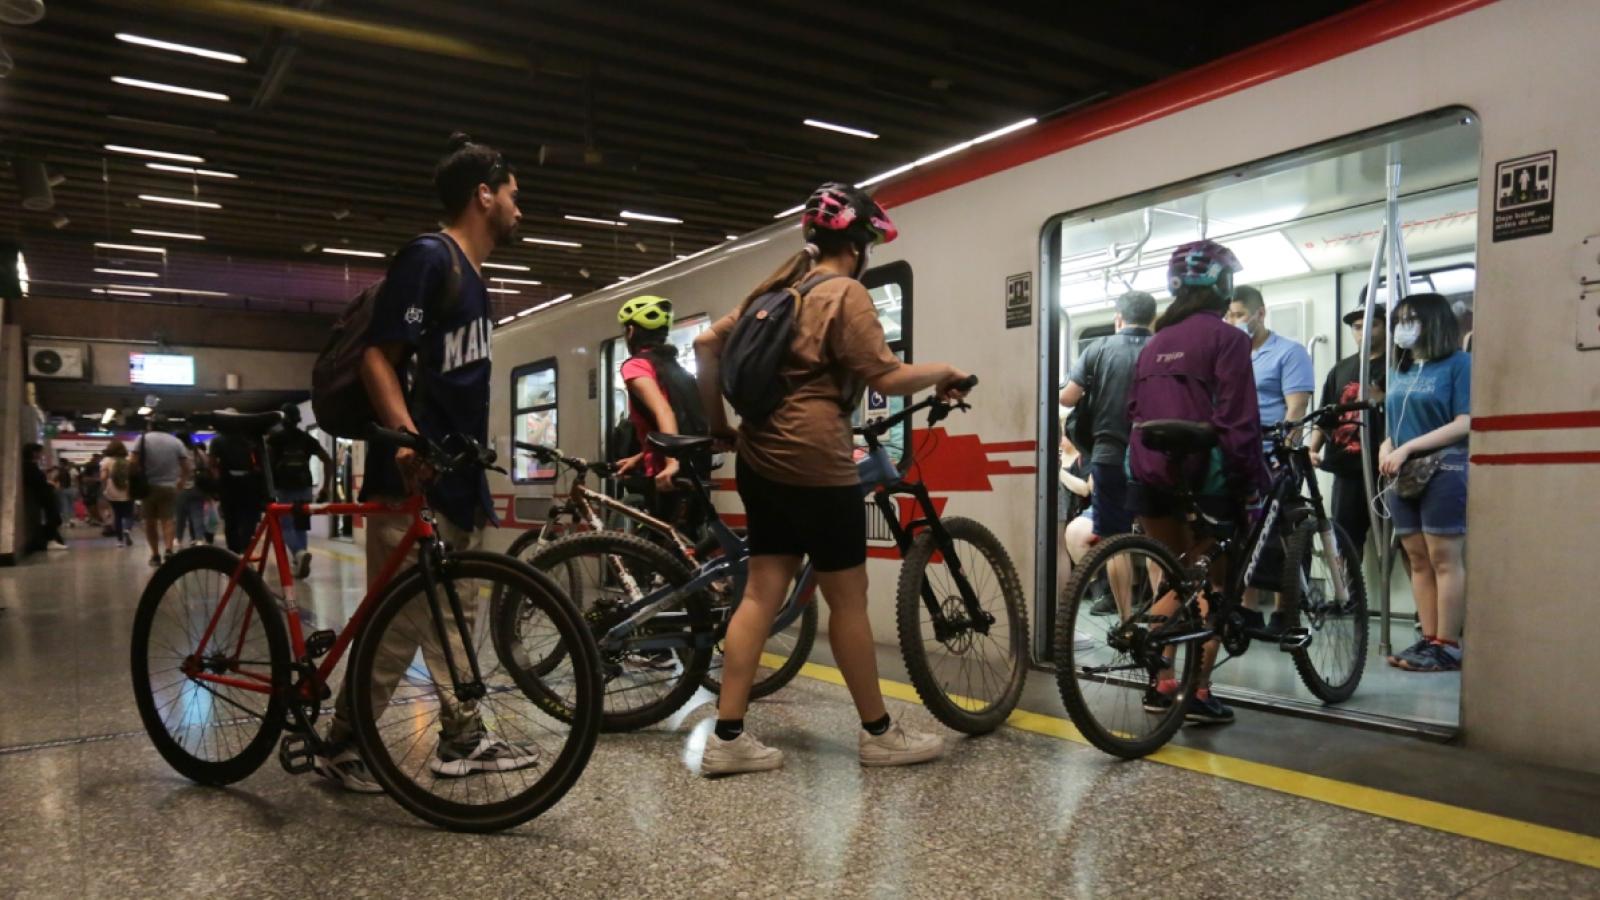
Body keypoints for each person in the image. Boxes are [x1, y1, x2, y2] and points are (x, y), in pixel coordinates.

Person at [692, 182, 971, 776]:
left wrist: (721, 427)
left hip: (760, 462)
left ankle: (727, 737)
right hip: (817, 462)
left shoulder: (776, 288)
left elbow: (704, 342)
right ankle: (877, 733)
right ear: (863, 242)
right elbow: (886, 376)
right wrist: (945, 369)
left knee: (761, 593)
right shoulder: (845, 293)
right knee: (848, 598)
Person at [318, 131, 534, 792]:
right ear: (484, 195)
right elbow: (382, 355)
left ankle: (461, 737)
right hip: (413, 475)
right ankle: (344, 744)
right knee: (403, 620)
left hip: (456, 475)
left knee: (454, 614)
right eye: (514, 195)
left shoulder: (474, 276)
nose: (520, 209)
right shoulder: (428, 260)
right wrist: (408, 440)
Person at [1126, 240, 1272, 726]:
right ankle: (1197, 691)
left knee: (1175, 577)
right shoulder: (1229, 340)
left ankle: (1159, 682)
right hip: (1205, 477)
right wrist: (1251, 482)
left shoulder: (1153, 343)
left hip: (1149, 474)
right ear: (1224, 286)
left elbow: (1134, 412)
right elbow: (1238, 421)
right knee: (1212, 582)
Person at [1379, 292, 1470, 673]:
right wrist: (1387, 449)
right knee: (1416, 558)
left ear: (1433, 322)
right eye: (1400, 320)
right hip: (1401, 470)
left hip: (1444, 467)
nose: (1404, 327)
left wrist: (1407, 448)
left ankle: (1447, 644)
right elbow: (1391, 425)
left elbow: (1465, 422)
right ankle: (1429, 636)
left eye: (1412, 318)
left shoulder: (1459, 364)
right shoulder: (1400, 370)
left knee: (1443, 558)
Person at [1059, 290, 1156, 617]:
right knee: (1157, 542)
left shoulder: (1098, 349)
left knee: (1116, 542)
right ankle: (1160, 620)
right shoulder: (1162, 348)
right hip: (1154, 458)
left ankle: (1126, 621)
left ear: (1118, 318)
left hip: (1109, 456)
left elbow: (1068, 400)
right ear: (1152, 319)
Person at [1224, 284, 1314, 633]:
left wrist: (1285, 453)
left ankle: (1284, 613)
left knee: (1286, 534)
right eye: (1228, 315)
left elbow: (1297, 406)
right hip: (1240, 455)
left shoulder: (1288, 353)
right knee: (1244, 532)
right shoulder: (1230, 354)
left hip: (1276, 453)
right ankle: (1247, 611)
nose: (1233, 321)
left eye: (1239, 314)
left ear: (1260, 314)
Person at [613, 295, 709, 534]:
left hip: (669, 471)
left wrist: (671, 462)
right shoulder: (675, 367)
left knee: (665, 554)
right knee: (687, 541)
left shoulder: (635, 365)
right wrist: (639, 457)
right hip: (697, 464)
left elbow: (662, 410)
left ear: (631, 331)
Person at [1307, 293, 1386, 563]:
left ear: (1386, 327)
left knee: (1403, 542)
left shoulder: (1399, 365)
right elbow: (1326, 418)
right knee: (1346, 541)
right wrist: (1312, 450)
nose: (1363, 332)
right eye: (1357, 327)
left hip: (1386, 468)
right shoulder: (1341, 369)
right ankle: (1349, 602)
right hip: (1347, 468)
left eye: (1372, 325)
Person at [267, 403, 333, 578]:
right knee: (301, 526)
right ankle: (300, 563)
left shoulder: (275, 438)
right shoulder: (307, 439)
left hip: (284, 487)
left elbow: (268, 464)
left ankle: (299, 554)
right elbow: (328, 460)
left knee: (285, 526)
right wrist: (325, 486)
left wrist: (268, 488)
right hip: (305, 486)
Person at [131, 418, 192, 566]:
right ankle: (169, 550)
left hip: (148, 487)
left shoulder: (142, 439)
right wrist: (182, 480)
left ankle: (155, 555)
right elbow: (187, 466)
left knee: (150, 522)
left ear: (151, 426)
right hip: (169, 487)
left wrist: (135, 478)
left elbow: (132, 461)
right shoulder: (176, 442)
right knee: (168, 520)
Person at [209, 425, 266, 554]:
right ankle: (244, 545)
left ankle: (233, 551)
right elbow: (258, 464)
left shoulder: (217, 441)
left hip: (227, 482)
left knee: (230, 518)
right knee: (247, 517)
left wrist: (217, 479)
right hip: (247, 482)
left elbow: (211, 463)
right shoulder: (248, 440)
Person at [22, 444, 67, 553]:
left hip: (43, 496)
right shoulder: (29, 466)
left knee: (54, 517)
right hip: (43, 496)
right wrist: (50, 484)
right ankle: (49, 540)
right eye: (40, 452)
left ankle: (50, 540)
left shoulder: (30, 465)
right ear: (34, 453)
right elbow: (37, 482)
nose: (41, 455)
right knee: (53, 517)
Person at [174, 433, 211, 547]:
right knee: (197, 514)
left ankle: (178, 539)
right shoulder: (198, 452)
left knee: (180, 515)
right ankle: (199, 539)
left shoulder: (177, 453)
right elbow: (207, 465)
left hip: (181, 487)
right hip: (197, 487)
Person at [100, 440, 136, 547]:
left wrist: (104, 488)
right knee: (129, 513)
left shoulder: (106, 461)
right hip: (128, 489)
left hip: (112, 490)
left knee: (118, 515)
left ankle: (119, 541)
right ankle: (127, 530)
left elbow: (103, 478)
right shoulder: (129, 461)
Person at [56, 461, 80, 529]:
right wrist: (77, 488)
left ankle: (66, 522)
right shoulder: (72, 470)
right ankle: (72, 520)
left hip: (63, 489)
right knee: (71, 504)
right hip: (71, 489)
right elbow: (76, 479)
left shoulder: (60, 471)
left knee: (64, 505)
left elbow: (56, 479)